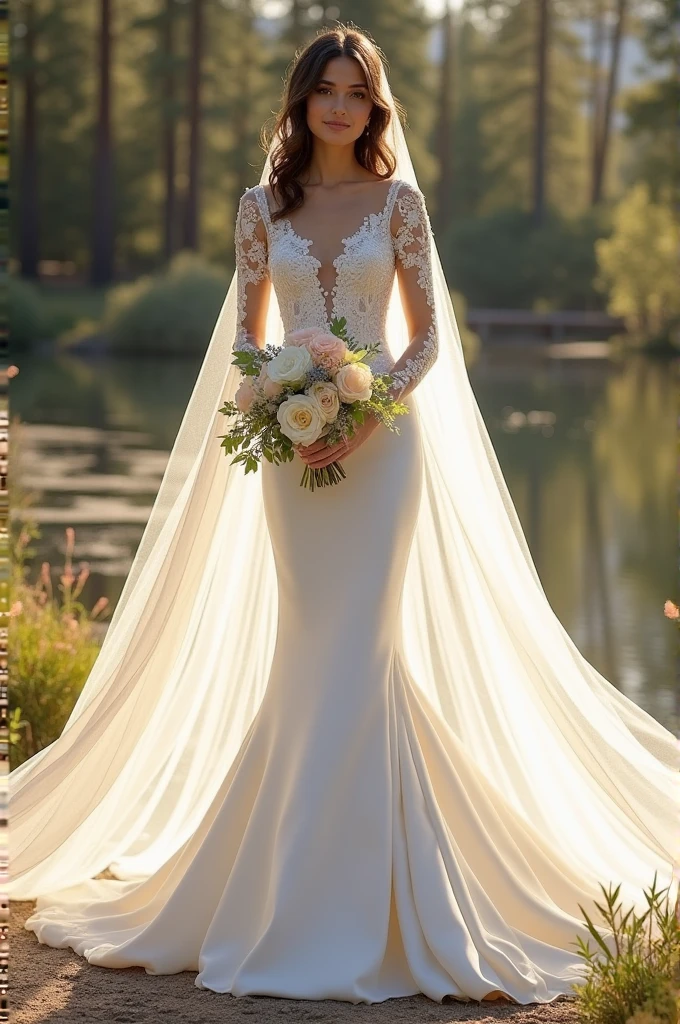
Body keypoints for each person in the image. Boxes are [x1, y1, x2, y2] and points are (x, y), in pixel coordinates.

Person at [12, 25, 679, 1007]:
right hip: (289, 458)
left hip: (382, 454)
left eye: (355, 93)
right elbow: (247, 339)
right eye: (324, 89)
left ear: (375, 109)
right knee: (309, 649)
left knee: (361, 650)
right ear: (298, 100)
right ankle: (284, 890)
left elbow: (427, 343)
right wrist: (281, 400)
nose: (338, 106)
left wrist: (363, 413)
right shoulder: (259, 209)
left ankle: (374, 902)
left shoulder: (397, 204)